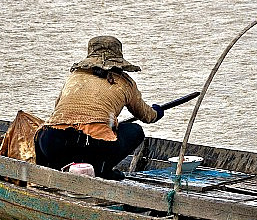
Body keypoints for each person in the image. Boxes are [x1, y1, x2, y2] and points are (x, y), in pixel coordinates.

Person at [34, 35, 164, 180]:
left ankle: (51, 172)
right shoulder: (125, 82)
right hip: (93, 144)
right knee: (135, 130)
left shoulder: (75, 76)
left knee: (50, 131)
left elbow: (57, 108)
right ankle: (102, 170)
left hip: (50, 141)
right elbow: (147, 116)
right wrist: (157, 112)